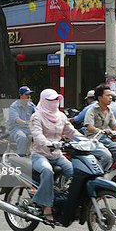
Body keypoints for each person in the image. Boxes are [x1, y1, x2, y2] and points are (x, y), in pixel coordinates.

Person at [30, 89, 80, 220]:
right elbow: (37, 135)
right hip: (40, 155)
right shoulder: (36, 116)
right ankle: (46, 206)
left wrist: (87, 140)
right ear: (44, 100)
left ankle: (68, 201)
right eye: (51, 100)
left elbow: (71, 132)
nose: (55, 102)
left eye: (56, 99)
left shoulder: (61, 116)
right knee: (47, 171)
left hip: (57, 155)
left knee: (76, 172)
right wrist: (48, 143)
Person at [84, 84, 116, 170]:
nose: (110, 97)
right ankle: (99, 174)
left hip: (105, 139)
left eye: (111, 95)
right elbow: (90, 127)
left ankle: (113, 173)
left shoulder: (109, 111)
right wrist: (101, 131)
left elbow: (115, 126)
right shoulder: (92, 110)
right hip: (93, 139)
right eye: (107, 95)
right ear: (100, 98)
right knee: (107, 156)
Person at [8, 86, 36, 156]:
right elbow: (16, 119)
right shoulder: (14, 106)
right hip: (16, 129)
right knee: (22, 137)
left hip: (28, 128)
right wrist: (26, 122)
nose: (29, 96)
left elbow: (38, 113)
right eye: (26, 94)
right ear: (21, 95)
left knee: (39, 135)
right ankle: (20, 157)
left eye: (29, 94)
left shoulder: (31, 105)